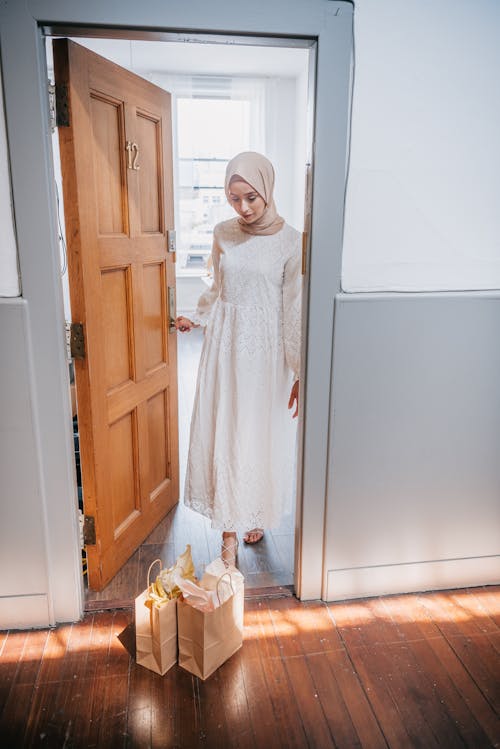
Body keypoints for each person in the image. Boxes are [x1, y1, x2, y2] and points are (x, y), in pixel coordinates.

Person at [175, 151, 301, 567]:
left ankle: (256, 512)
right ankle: (228, 544)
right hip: (226, 347)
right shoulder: (223, 233)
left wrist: (300, 370)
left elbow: (294, 308)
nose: (243, 208)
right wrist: (197, 316)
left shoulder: (292, 241)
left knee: (257, 434)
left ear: (267, 191)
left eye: (251, 198)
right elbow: (218, 285)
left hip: (265, 353)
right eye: (234, 198)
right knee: (227, 432)